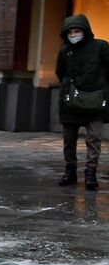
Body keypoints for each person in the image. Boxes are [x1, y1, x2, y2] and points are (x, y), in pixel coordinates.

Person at [55, 14, 109, 190]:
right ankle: (69, 171)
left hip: (95, 101)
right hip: (70, 103)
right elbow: (60, 72)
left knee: (94, 139)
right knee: (69, 139)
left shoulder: (101, 46)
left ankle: (90, 173)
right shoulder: (64, 51)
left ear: (85, 31)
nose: (74, 34)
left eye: (77, 31)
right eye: (70, 32)